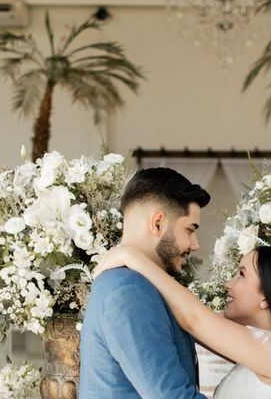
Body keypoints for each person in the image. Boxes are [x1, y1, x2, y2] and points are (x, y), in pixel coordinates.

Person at [93, 245, 271, 399]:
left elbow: (195, 319)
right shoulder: (268, 350)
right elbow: (191, 321)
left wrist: (133, 257)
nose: (228, 284)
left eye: (241, 275)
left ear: (266, 296)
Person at [79, 167, 211, 398]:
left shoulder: (136, 283)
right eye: (190, 230)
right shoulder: (128, 292)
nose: (195, 244)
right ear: (158, 223)